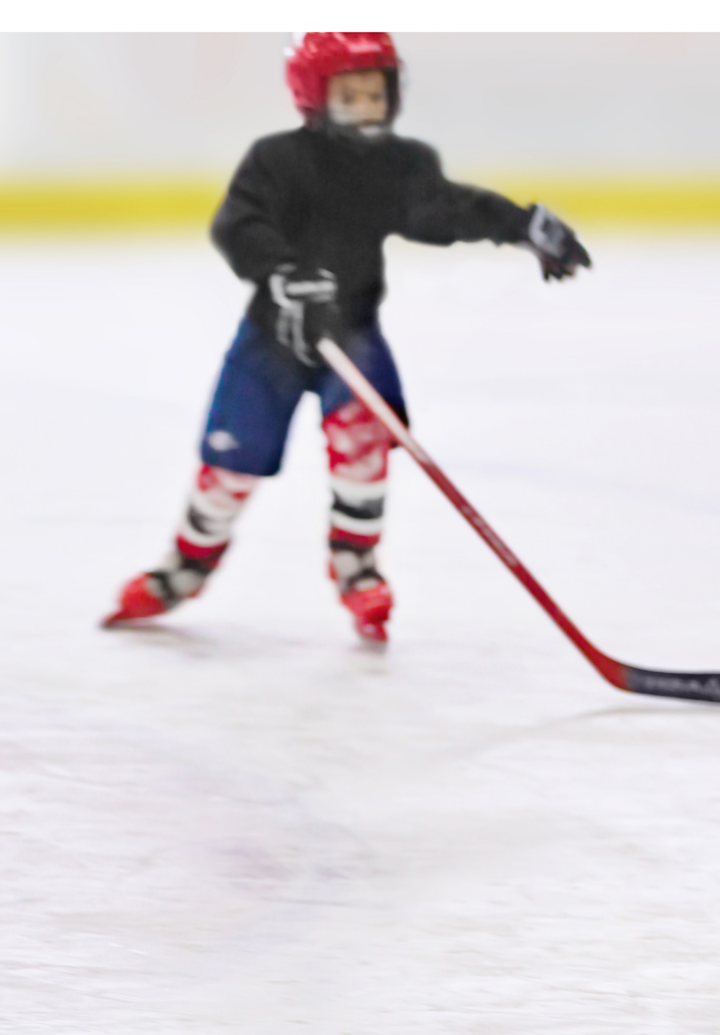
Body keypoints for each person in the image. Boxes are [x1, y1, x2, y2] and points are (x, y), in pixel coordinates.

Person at [104, 32, 592, 644]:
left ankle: (355, 565)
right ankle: (186, 567)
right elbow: (239, 221)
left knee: (363, 449)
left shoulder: (399, 165)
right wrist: (281, 271)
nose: (366, 105)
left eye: (375, 92)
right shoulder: (276, 159)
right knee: (231, 465)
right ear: (313, 96)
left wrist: (523, 225)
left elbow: (443, 209)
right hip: (271, 341)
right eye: (350, 93)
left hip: (352, 332)